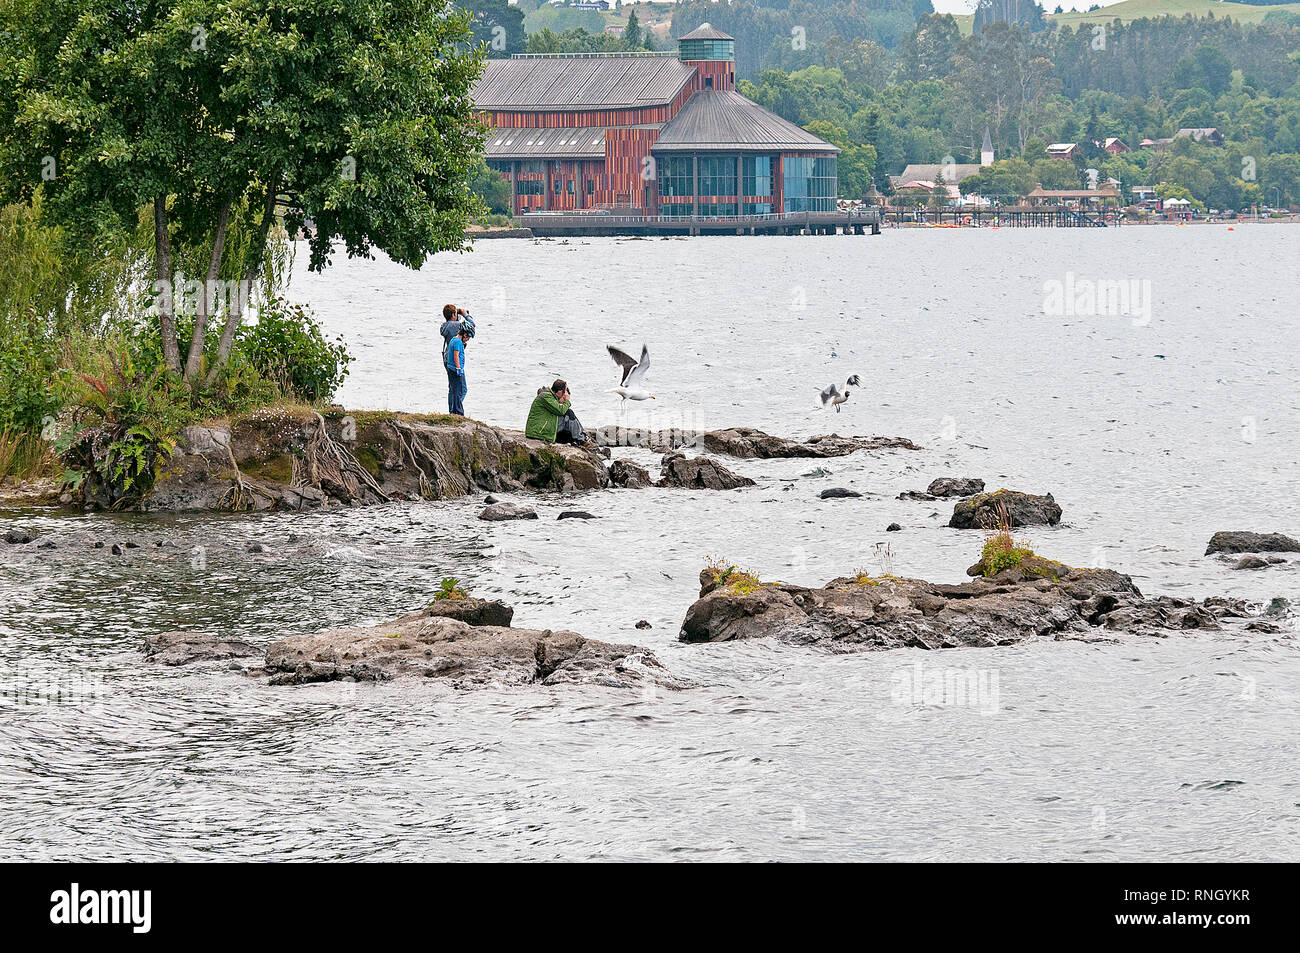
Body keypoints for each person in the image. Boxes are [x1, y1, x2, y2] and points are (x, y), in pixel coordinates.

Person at [526, 379, 588, 445]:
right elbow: (560, 411)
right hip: (539, 431)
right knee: (568, 413)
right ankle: (581, 438)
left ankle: (580, 436)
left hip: (542, 428)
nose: (565, 395)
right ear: (560, 392)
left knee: (568, 434)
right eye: (564, 392)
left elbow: (557, 411)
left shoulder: (549, 396)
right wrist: (567, 401)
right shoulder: (546, 397)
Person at [445, 325, 469, 416]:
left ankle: (454, 410)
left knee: (457, 391)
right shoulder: (458, 342)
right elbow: (456, 355)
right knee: (460, 391)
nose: (468, 339)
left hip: (451, 368)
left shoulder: (453, 339)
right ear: (464, 334)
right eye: (468, 337)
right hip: (456, 370)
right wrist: (458, 368)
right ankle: (458, 412)